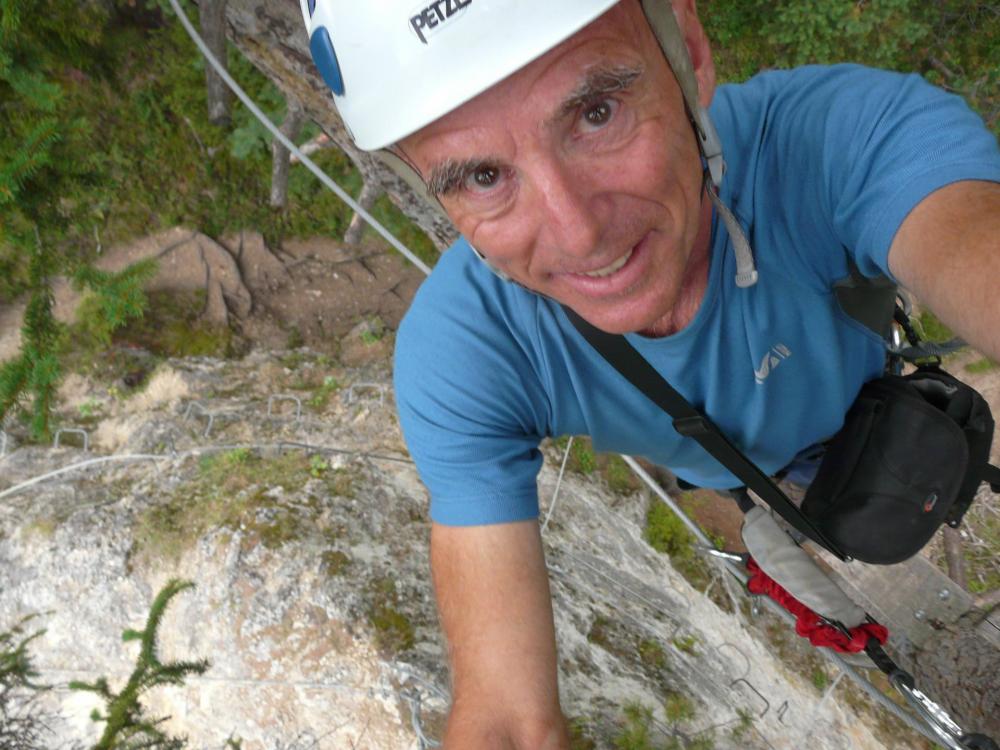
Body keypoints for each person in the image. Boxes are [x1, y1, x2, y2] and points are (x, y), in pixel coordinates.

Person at [300, 1, 1000, 746]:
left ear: (688, 52)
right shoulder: (468, 352)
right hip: (757, 478)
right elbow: (505, 720)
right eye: (480, 176)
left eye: (596, 112)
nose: (580, 232)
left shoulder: (834, 137)